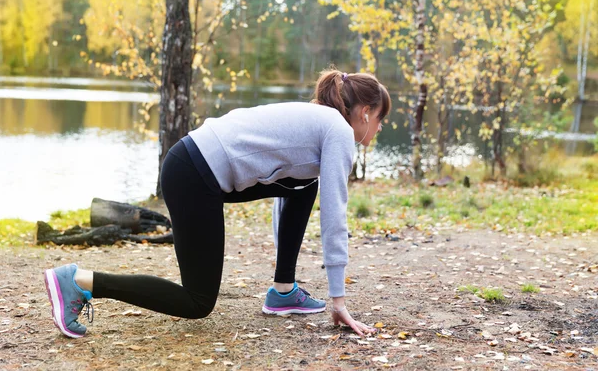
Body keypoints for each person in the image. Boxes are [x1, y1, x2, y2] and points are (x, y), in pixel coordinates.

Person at [44, 69, 391, 339]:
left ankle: (283, 291)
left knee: (304, 186)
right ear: (364, 112)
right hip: (195, 175)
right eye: (380, 120)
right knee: (197, 302)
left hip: (190, 164)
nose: (378, 130)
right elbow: (335, 216)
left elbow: (290, 192)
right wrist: (339, 299)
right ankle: (80, 281)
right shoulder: (340, 131)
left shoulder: (320, 120)